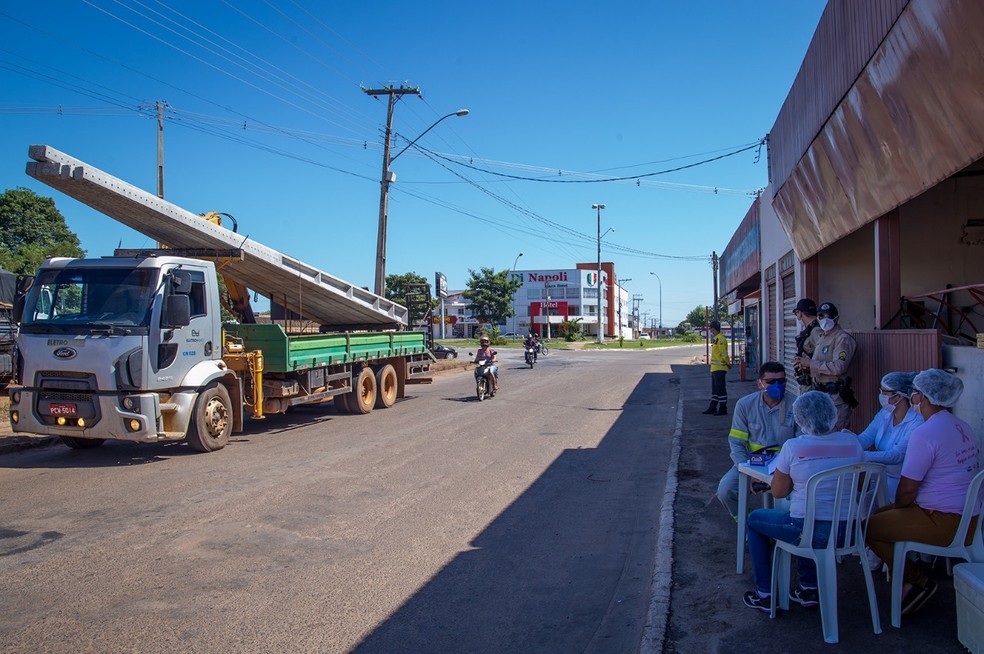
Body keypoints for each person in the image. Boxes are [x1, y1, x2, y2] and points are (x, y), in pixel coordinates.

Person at [865, 369, 980, 617]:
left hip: (943, 520)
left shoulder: (924, 433)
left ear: (924, 397)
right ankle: (907, 579)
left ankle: (917, 581)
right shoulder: (962, 426)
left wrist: (897, 511)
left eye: (915, 393)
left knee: (868, 528)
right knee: (881, 516)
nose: (913, 396)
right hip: (967, 517)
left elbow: (906, 492)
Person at [742, 391, 864, 613]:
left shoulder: (793, 447)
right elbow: (858, 480)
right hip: (849, 531)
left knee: (756, 520)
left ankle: (765, 593)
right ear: (832, 414)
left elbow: (778, 492)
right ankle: (808, 588)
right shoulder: (852, 442)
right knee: (808, 514)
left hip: (808, 531)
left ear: (799, 418)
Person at [716, 361, 798, 519]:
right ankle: (749, 525)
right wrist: (749, 471)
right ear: (760, 383)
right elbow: (736, 443)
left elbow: (800, 444)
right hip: (751, 464)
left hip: (786, 467)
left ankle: (781, 529)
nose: (777, 385)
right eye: (771, 382)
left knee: (790, 500)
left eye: (781, 381)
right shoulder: (745, 405)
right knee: (725, 491)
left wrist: (782, 473)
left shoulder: (795, 405)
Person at [857, 372, 924, 502]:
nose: (881, 395)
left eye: (884, 392)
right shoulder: (885, 413)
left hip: (901, 484)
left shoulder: (918, 421)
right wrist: (844, 442)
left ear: (898, 396)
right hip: (880, 478)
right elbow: (865, 438)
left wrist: (863, 455)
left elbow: (897, 455)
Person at [793, 302, 857, 431]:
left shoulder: (842, 338)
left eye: (829, 316)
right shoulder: (822, 338)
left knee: (835, 436)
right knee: (820, 436)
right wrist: (805, 365)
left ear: (836, 318)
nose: (825, 319)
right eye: (821, 316)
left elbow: (839, 367)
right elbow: (819, 364)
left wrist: (811, 364)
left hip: (836, 398)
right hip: (820, 395)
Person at [702, 320, 731, 416]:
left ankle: (723, 409)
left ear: (714, 329)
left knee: (721, 389)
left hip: (720, 368)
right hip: (715, 368)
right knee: (715, 390)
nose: (710, 331)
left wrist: (728, 363)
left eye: (711, 329)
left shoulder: (721, 339)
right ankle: (713, 407)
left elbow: (724, 354)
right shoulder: (716, 339)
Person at [792, 298, 821, 390]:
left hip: (815, 381)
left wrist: (808, 362)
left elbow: (824, 355)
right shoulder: (810, 330)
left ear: (800, 313)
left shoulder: (816, 331)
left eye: (796, 313)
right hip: (810, 379)